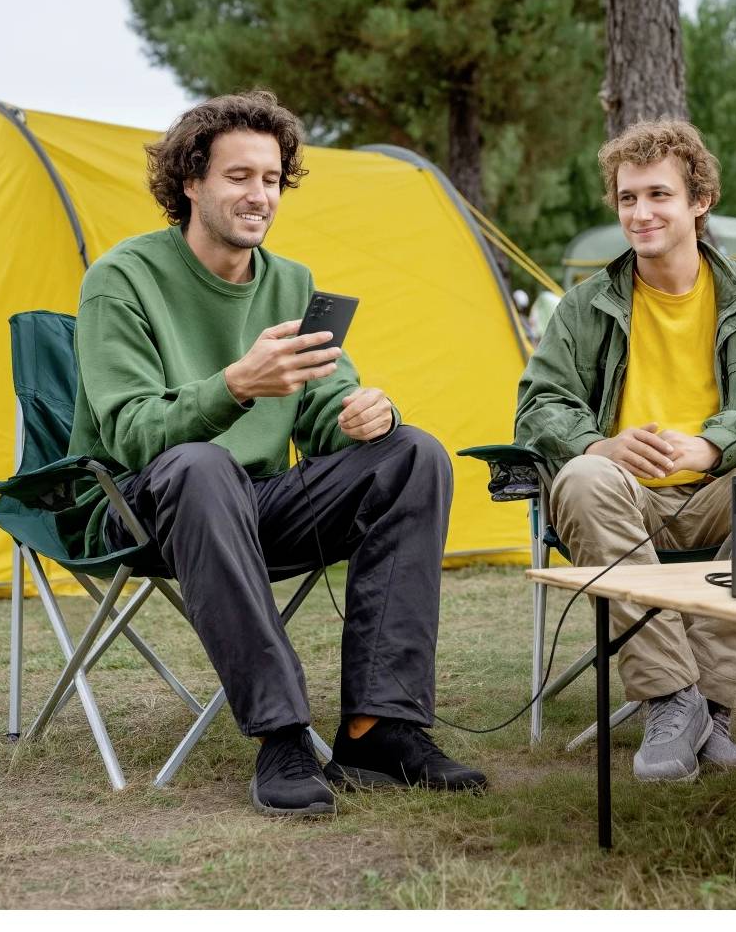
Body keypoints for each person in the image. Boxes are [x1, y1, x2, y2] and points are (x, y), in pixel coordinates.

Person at [62, 88, 486, 817]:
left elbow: (323, 410)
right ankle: (282, 732)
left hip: (255, 506)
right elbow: (130, 432)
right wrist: (234, 385)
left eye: (270, 178)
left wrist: (362, 415)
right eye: (238, 176)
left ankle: (378, 728)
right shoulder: (122, 279)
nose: (259, 194)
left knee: (413, 453)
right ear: (189, 181)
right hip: (140, 505)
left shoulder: (291, 283)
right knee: (202, 463)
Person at [514, 118, 736, 783]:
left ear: (698, 201)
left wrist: (713, 442)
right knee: (581, 476)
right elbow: (537, 406)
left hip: (722, 492)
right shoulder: (583, 306)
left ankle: (713, 703)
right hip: (625, 500)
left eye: (658, 194)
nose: (640, 212)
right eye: (627, 198)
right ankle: (671, 697)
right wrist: (601, 442)